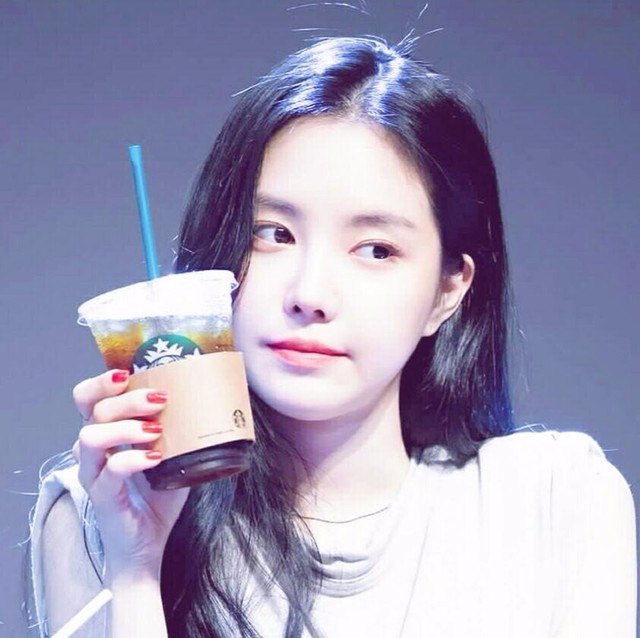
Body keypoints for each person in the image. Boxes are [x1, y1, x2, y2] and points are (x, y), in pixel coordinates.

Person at [29, 36, 636, 637]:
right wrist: (136, 570)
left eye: (376, 249)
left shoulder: (561, 501)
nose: (310, 293)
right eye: (273, 234)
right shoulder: (101, 515)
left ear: (448, 290)